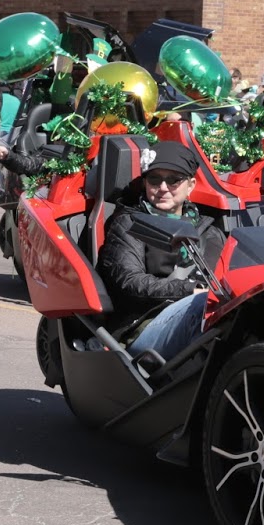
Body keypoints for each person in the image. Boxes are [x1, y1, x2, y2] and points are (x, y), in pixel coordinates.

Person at [99, 142, 225, 363]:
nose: (163, 187)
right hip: (143, 325)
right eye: (154, 179)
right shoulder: (129, 223)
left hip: (207, 315)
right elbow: (129, 282)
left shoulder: (210, 231)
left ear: (191, 184)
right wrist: (189, 291)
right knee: (200, 305)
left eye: (174, 180)